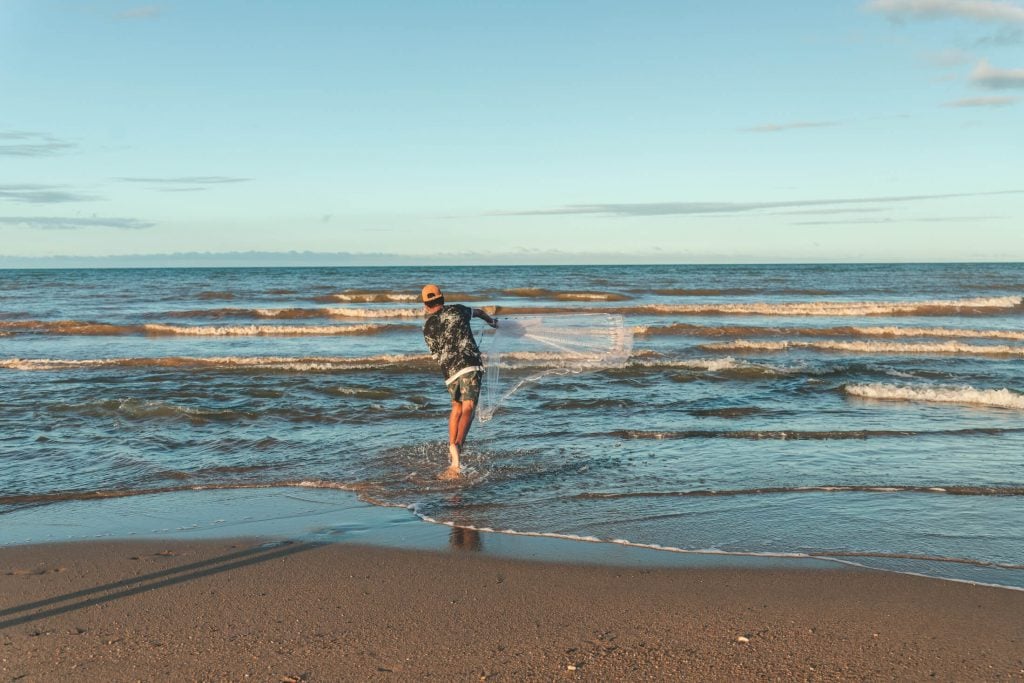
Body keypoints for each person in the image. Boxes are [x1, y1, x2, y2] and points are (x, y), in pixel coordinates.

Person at [421, 284, 497, 480]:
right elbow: (479, 312)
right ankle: (458, 447)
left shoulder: (427, 327)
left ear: (426, 305)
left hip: (449, 371)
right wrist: (492, 321)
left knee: (456, 407)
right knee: (469, 407)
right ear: (442, 299)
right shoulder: (457, 309)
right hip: (469, 364)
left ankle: (451, 447)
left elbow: (435, 353)